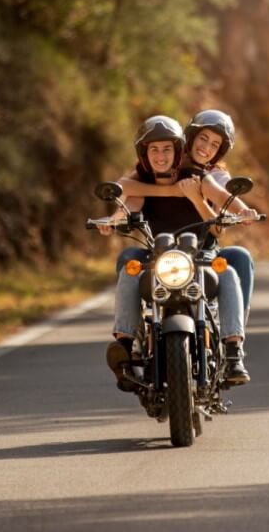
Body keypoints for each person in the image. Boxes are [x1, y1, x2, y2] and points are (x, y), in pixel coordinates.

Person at [99, 115, 250, 388]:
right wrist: (114, 220)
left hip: (199, 259)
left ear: (178, 150)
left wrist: (244, 211)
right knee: (130, 271)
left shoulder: (199, 178)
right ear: (144, 153)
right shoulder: (140, 179)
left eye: (167, 149)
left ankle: (233, 351)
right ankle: (125, 346)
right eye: (154, 149)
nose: (160, 155)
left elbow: (224, 199)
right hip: (160, 258)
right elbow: (126, 202)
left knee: (227, 272)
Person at [118, 109, 260, 322]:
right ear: (189, 139)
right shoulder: (163, 161)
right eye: (203, 139)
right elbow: (127, 189)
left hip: (201, 249)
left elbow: (224, 197)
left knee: (239, 258)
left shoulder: (214, 175)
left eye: (215, 145)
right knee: (128, 258)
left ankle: (234, 330)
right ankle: (129, 334)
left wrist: (243, 211)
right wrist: (170, 191)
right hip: (160, 250)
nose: (206, 148)